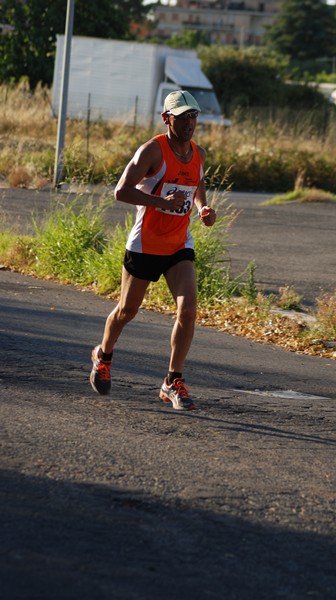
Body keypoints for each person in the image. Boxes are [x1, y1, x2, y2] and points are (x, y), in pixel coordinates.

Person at [90, 90, 216, 410]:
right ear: (166, 119)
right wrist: (161, 202)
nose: (190, 122)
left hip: (178, 245)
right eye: (183, 116)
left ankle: (172, 381)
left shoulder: (197, 153)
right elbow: (121, 191)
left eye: (194, 116)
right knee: (126, 311)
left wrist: (203, 208)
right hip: (145, 244)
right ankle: (103, 355)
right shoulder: (152, 150)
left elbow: (197, 186)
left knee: (188, 311)